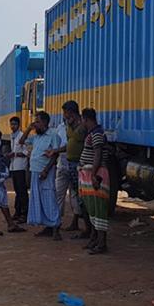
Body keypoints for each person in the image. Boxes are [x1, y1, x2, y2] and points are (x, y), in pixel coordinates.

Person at [53, 100, 91, 239]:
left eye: (66, 113)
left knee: (81, 198)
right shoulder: (68, 126)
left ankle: (88, 228)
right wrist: (56, 150)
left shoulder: (81, 127)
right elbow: (70, 143)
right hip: (68, 163)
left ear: (72, 112)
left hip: (78, 165)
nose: (64, 115)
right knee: (74, 195)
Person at [21, 111, 62, 240]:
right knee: (39, 199)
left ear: (45, 122)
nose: (35, 124)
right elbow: (22, 141)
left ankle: (56, 227)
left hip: (46, 172)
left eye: (37, 122)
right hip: (35, 171)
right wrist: (29, 128)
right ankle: (47, 226)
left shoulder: (53, 135)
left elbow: (55, 155)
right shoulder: (36, 136)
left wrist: (46, 170)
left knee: (49, 197)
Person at [78, 108, 112, 254]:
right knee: (92, 209)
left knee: (98, 209)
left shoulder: (97, 134)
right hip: (90, 173)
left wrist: (93, 175)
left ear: (86, 119)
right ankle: (95, 240)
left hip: (96, 174)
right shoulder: (94, 133)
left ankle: (101, 243)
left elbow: (97, 154)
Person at [7, 117, 29, 223]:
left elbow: (26, 152)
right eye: (11, 124)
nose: (12, 126)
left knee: (22, 191)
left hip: (20, 167)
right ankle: (17, 212)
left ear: (19, 125)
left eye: (14, 124)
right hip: (14, 167)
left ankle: (24, 213)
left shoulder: (22, 136)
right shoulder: (12, 136)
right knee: (17, 191)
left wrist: (15, 154)